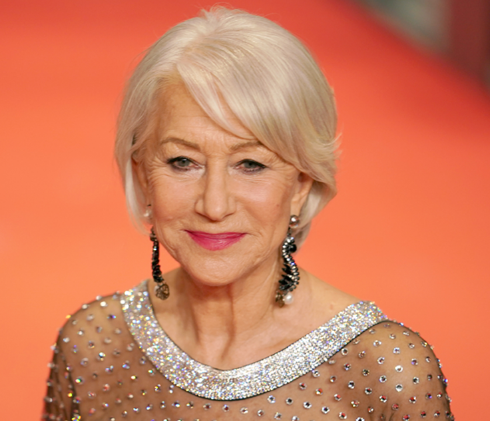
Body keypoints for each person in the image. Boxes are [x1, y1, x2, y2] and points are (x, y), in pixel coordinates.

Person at [42, 8, 451, 420]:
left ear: (302, 185)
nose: (214, 205)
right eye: (183, 161)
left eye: (250, 165)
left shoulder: (386, 373)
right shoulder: (92, 347)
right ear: (143, 176)